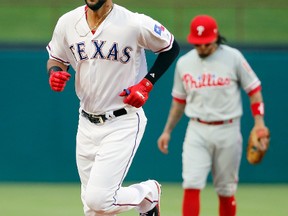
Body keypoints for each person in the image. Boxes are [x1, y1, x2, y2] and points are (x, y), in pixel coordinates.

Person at [46, 0, 180, 215]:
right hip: (86, 121)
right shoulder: (67, 22)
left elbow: (171, 46)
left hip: (122, 120)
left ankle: (149, 193)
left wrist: (146, 84)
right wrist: (54, 73)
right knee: (93, 209)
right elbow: (56, 59)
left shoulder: (133, 22)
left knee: (99, 200)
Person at [157, 15, 269, 216]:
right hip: (196, 130)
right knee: (191, 182)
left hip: (228, 129)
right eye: (197, 44)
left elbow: (254, 90)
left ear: (216, 38)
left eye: (206, 44)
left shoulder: (233, 57)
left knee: (226, 189)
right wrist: (167, 131)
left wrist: (259, 124)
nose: (201, 48)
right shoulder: (184, 63)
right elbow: (178, 102)